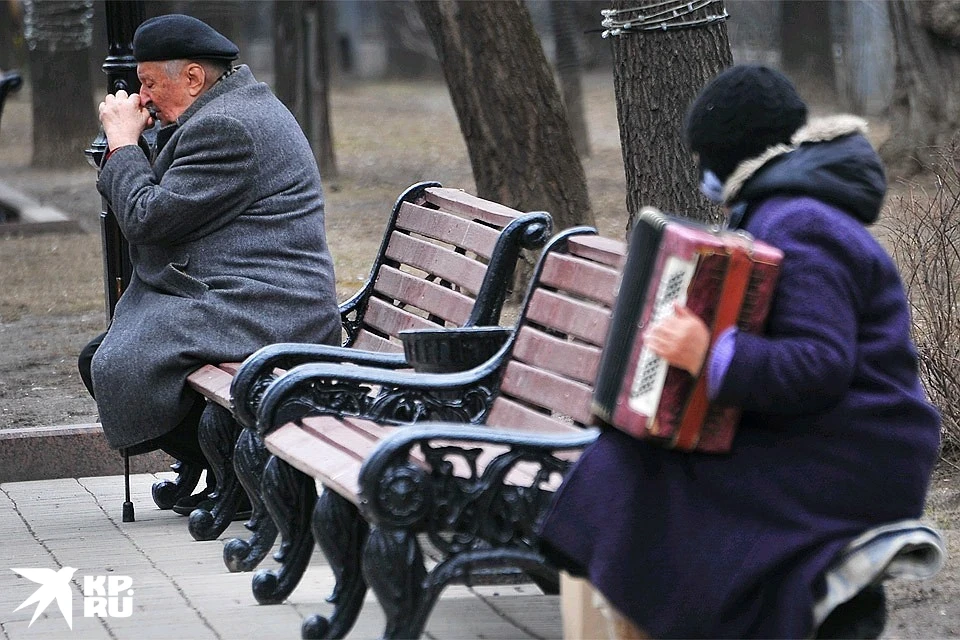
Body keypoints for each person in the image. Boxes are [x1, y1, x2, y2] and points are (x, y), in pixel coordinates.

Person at [538, 64, 942, 638]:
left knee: (643, 479)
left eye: (706, 158)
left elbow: (817, 367)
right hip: (830, 439)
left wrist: (708, 353)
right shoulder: (787, 208)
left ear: (727, 156)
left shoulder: (802, 222)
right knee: (631, 464)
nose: (704, 175)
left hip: (855, 454)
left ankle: (797, 611)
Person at [78, 14, 341, 514]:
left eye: (150, 83)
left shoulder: (228, 127)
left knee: (115, 362)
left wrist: (122, 146)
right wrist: (138, 144)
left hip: (268, 305)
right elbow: (168, 195)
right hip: (239, 293)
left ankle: (241, 478)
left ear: (194, 78)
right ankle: (218, 466)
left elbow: (148, 217)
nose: (143, 97)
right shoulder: (224, 110)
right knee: (103, 356)